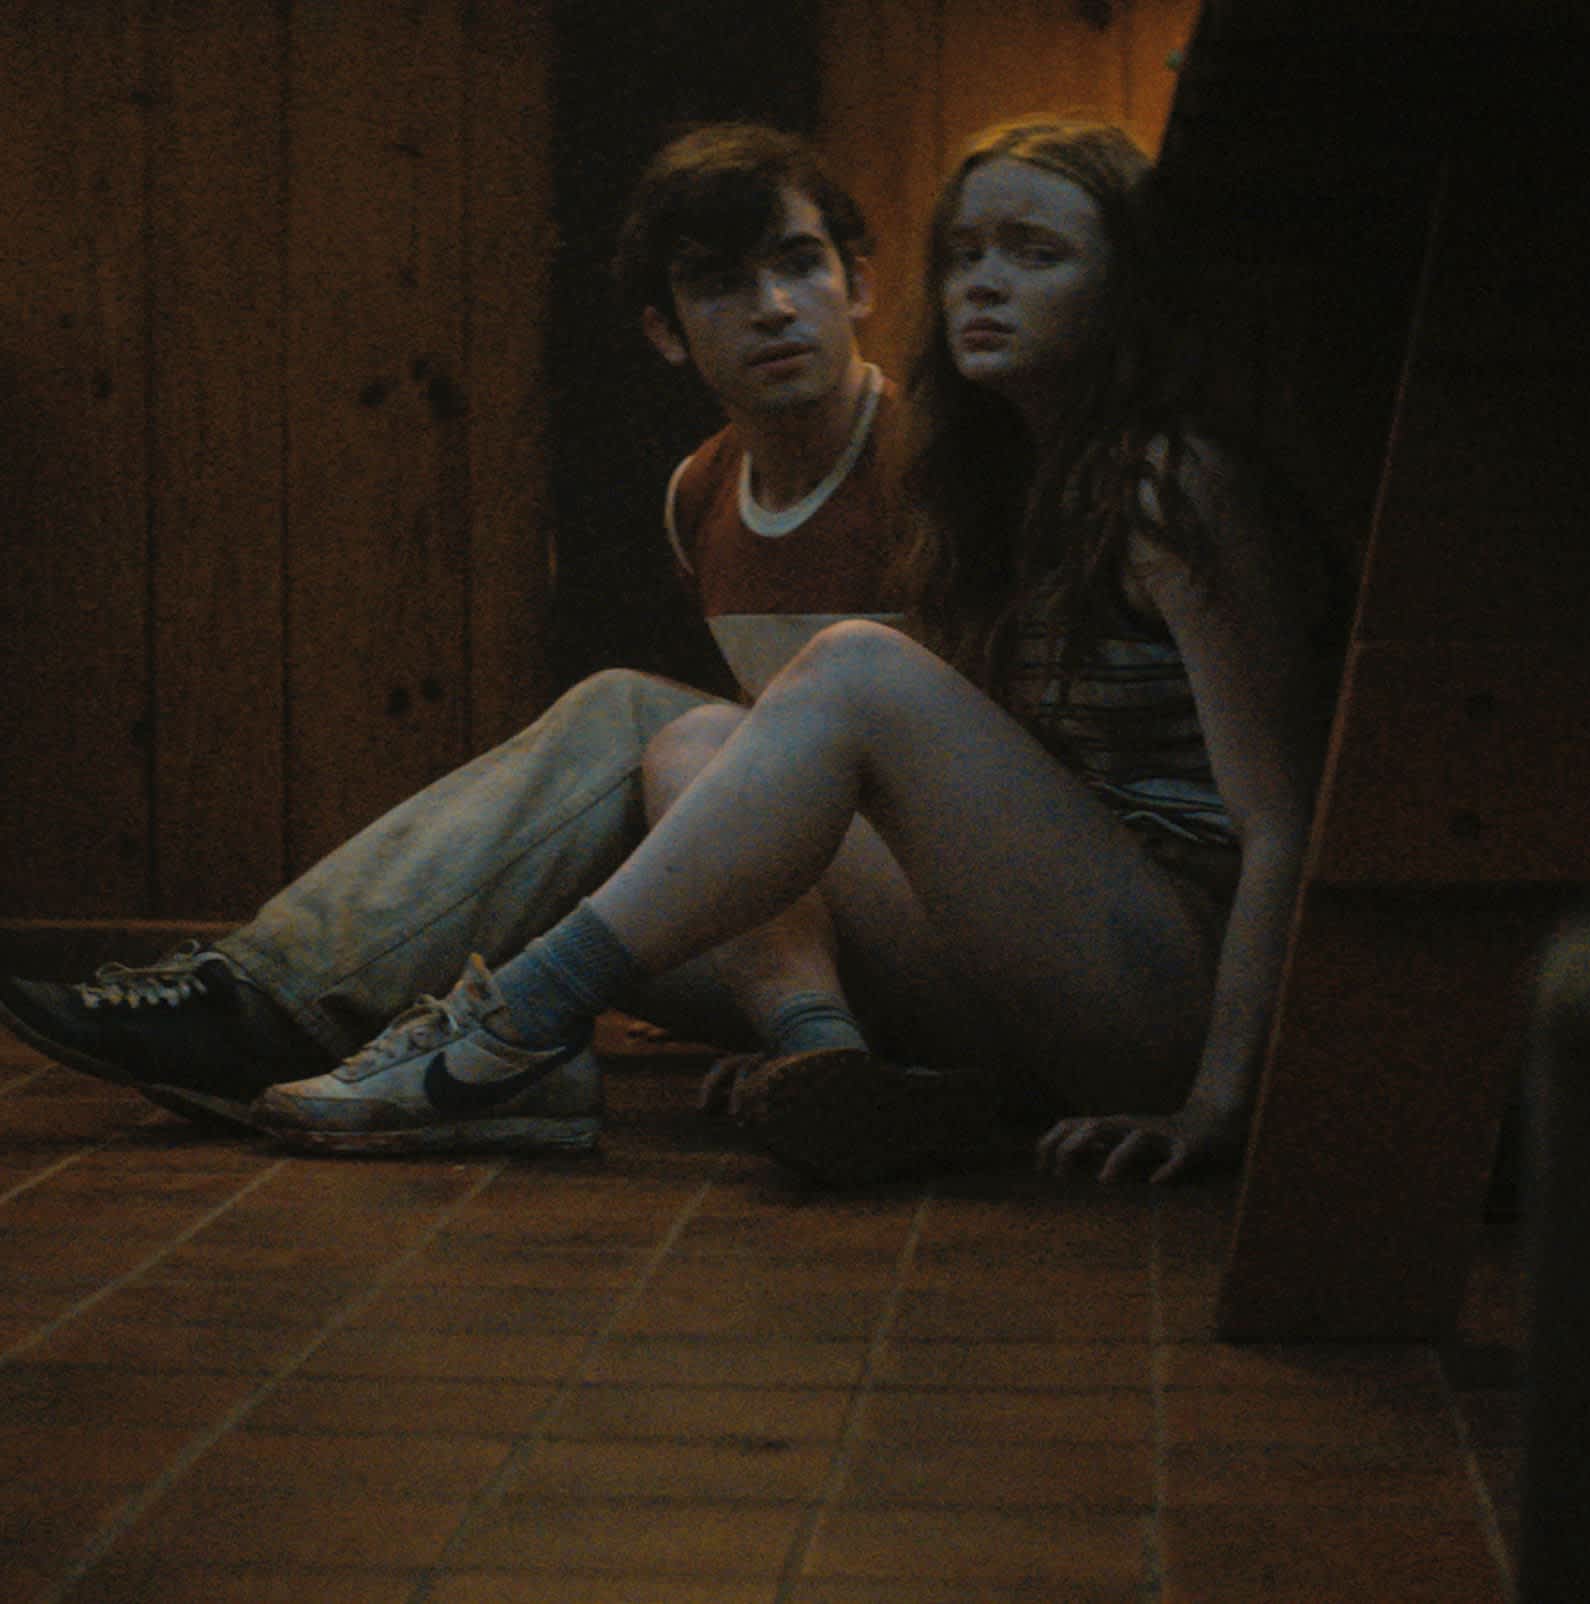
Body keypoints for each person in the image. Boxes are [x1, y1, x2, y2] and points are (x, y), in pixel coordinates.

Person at [248, 116, 1342, 1185]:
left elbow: (1283, 820)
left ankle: (508, 1027)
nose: (983, 284)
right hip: (1046, 974)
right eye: (964, 254)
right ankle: (827, 1058)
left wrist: (1222, 1103)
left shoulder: (1168, 483)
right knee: (692, 744)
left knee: (854, 668)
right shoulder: (996, 479)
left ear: (1128, 285)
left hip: (1173, 988)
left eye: (1034, 253)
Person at [0, 122, 905, 1131]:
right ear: (665, 331)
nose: (773, 306)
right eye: (722, 284)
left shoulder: (938, 462)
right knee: (557, 868)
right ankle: (599, 1055)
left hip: (966, 932)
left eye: (799, 263)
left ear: (858, 283)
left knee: (640, 720)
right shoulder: (701, 490)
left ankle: (265, 1004)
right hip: (844, 937)